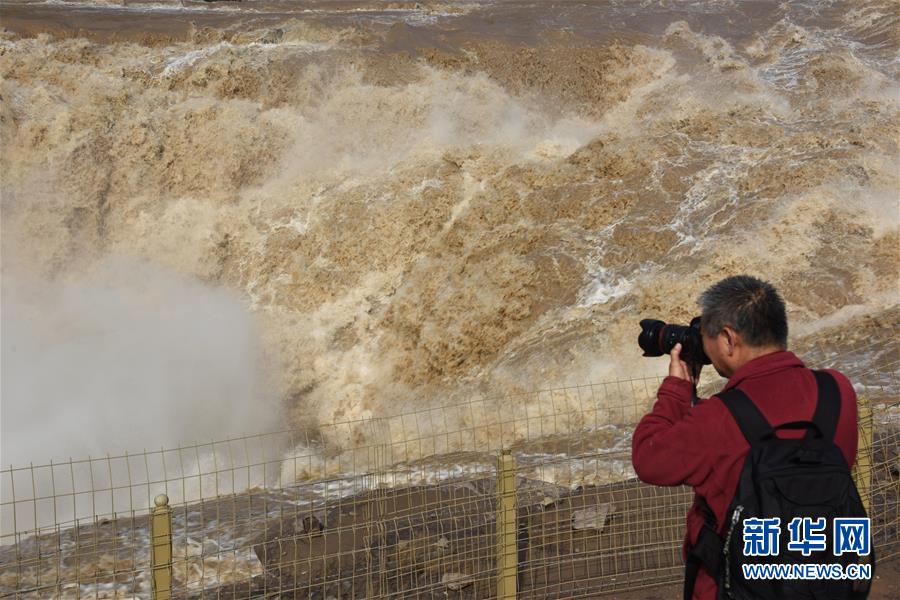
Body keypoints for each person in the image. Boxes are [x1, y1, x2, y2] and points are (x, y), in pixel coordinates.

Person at [631, 275, 859, 600]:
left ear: (728, 340)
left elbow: (649, 458)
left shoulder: (717, 419)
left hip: (736, 587)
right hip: (824, 580)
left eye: (705, 337)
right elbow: (778, 421)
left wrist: (676, 392)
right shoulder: (837, 390)